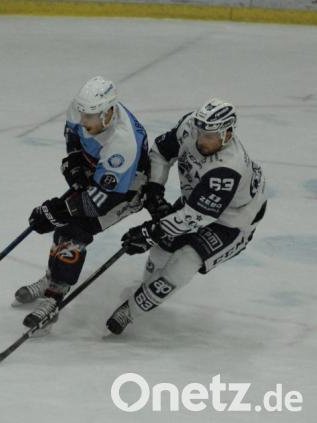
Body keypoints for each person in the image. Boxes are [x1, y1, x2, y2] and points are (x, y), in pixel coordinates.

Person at [108, 98, 267, 334]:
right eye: (201, 132)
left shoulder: (228, 168)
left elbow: (196, 217)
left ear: (228, 134)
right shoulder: (190, 127)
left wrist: (150, 232)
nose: (202, 140)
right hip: (197, 201)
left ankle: (132, 309)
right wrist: (154, 189)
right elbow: (161, 152)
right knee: (162, 248)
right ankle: (146, 288)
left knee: (186, 259)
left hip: (233, 220)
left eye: (210, 136)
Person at [17, 76, 149, 331]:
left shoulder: (123, 144)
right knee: (64, 223)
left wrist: (58, 209)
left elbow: (100, 202)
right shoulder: (82, 109)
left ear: (109, 112)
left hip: (126, 190)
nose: (84, 120)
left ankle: (53, 300)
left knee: (74, 229)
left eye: (91, 117)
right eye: (83, 114)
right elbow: (73, 134)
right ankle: (52, 279)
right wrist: (75, 161)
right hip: (96, 171)